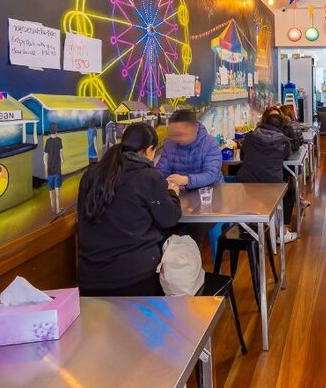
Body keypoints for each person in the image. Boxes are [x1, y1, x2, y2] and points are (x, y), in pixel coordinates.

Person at [77, 123, 182, 296]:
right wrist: (172, 194)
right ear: (149, 149)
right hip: (134, 278)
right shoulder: (147, 177)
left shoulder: (91, 175)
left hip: (90, 279)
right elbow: (169, 218)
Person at [237, 108, 298, 242]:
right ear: (281, 126)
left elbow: (242, 157)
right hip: (272, 185)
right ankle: (282, 232)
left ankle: (251, 224)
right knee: (290, 192)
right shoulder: (284, 142)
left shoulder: (249, 137)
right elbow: (286, 158)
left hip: (245, 184)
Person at [156, 109, 224, 189]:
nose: (177, 139)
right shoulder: (170, 144)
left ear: (194, 128)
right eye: (174, 134)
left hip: (211, 190)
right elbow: (161, 171)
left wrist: (186, 180)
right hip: (181, 192)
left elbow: (211, 174)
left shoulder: (210, 143)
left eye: (181, 134)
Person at [43, 124, 63, 213]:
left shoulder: (47, 141)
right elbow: (61, 156)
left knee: (51, 190)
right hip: (57, 169)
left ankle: (52, 209)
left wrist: (46, 166)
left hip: (50, 170)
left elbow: (45, 155)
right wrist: (62, 161)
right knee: (57, 190)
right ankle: (58, 209)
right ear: (56, 130)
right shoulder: (59, 140)